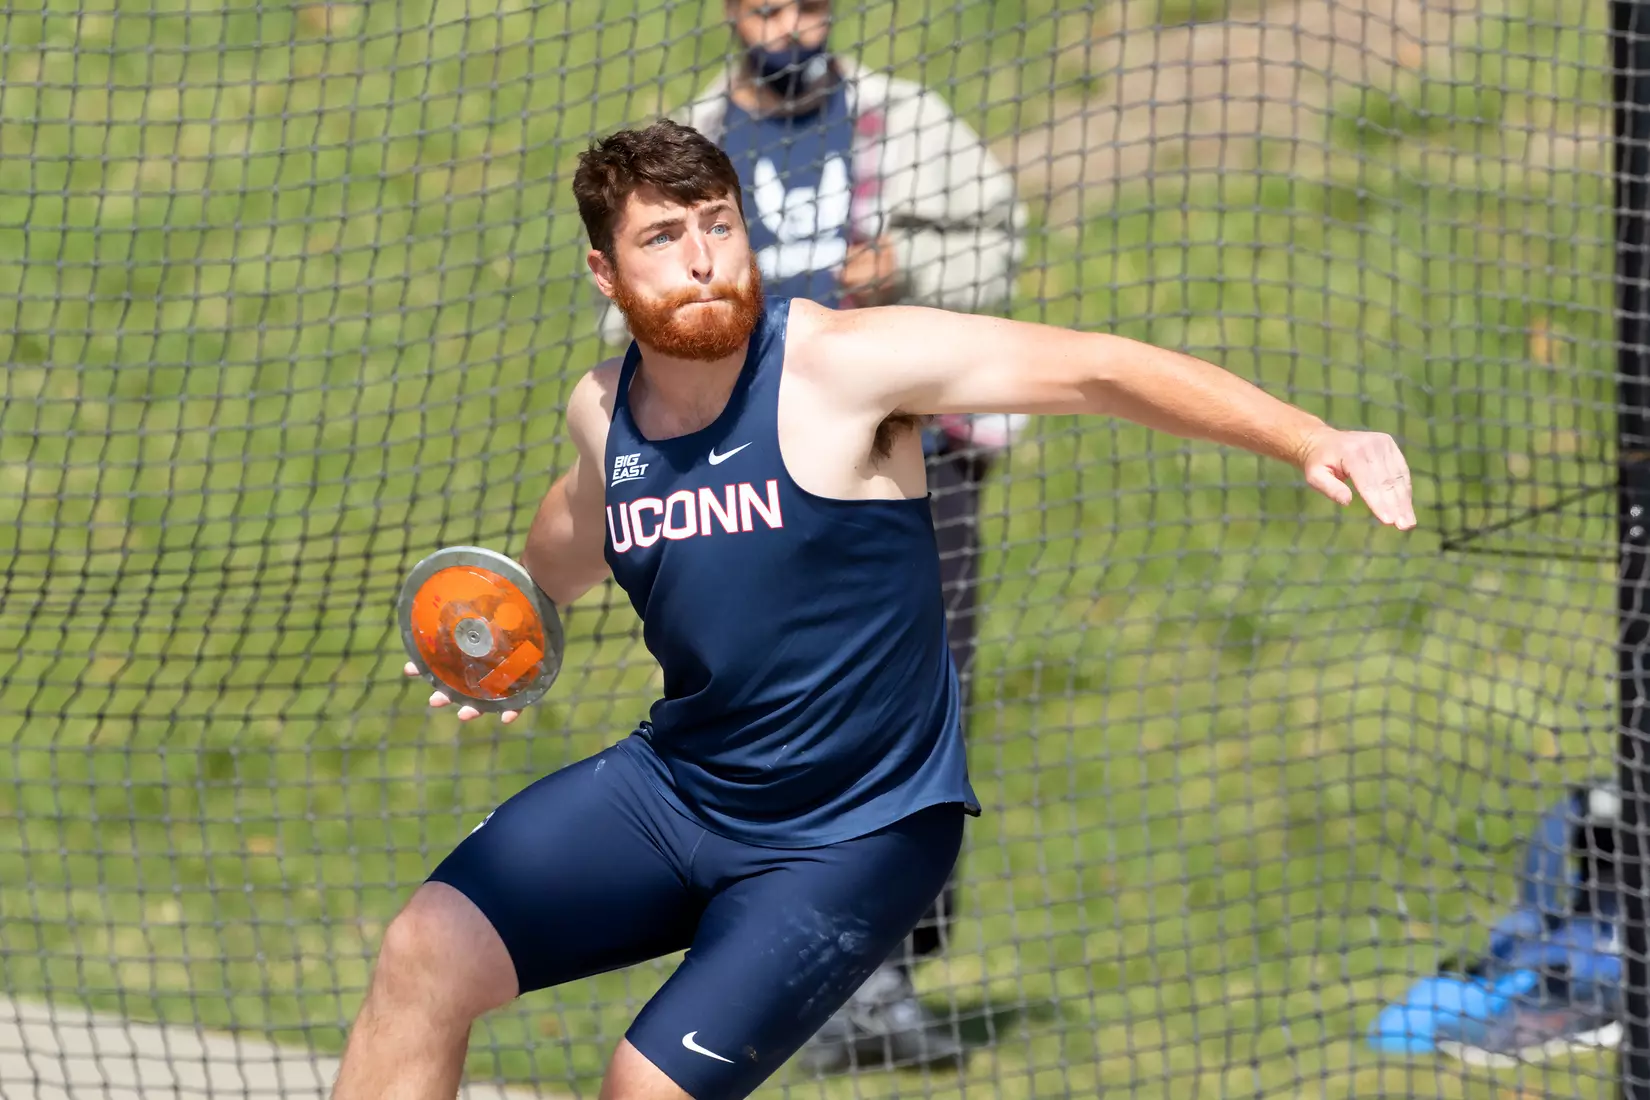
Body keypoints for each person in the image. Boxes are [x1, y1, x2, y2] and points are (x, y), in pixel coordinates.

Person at [334, 119, 1416, 1100]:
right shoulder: (603, 409)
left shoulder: (846, 368)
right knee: (425, 948)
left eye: (720, 225)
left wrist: (1313, 437)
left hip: (854, 831)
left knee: (643, 1087)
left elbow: (1095, 370)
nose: (705, 258)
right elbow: (566, 546)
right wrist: (495, 641)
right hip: (684, 790)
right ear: (605, 272)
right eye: (664, 237)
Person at [594, 2, 1028, 1069]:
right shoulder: (694, 145)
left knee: (917, 714)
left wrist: (906, 282)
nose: (791, 23)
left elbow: (996, 246)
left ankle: (882, 974)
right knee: (750, 710)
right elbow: (628, 325)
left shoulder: (904, 121)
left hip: (895, 468)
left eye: (811, 4)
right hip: (744, 483)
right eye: (767, 5)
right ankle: (769, 966)